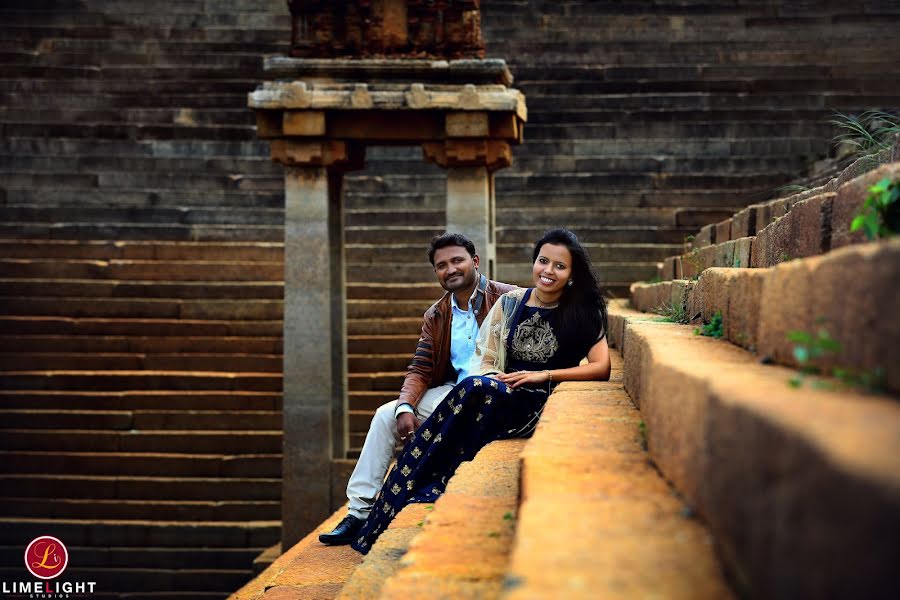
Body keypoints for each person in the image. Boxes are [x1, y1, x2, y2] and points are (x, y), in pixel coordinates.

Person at [351, 228, 611, 554]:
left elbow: (602, 367)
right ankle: (376, 506)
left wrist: (543, 375)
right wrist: (498, 380)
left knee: (471, 390)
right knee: (457, 392)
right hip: (498, 392)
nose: (548, 271)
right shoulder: (511, 303)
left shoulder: (582, 311)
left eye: (560, 266)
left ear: (572, 273)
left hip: (539, 400)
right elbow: (484, 360)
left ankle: (421, 479)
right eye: (543, 261)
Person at [319, 233, 516, 545]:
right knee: (386, 415)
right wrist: (405, 407)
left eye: (457, 261)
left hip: (495, 392)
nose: (450, 269)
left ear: (474, 262)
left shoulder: (509, 298)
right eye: (441, 266)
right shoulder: (437, 315)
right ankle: (359, 512)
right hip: (456, 393)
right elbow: (421, 369)